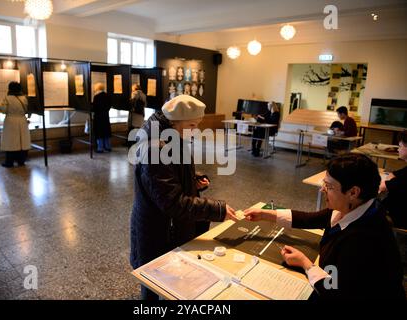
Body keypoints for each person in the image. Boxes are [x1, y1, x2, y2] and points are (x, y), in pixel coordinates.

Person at [244, 153, 405, 299]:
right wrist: (265, 214)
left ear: (353, 192)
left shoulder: (363, 240)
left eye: (328, 186)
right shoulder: (358, 207)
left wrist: (306, 264)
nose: (322, 189)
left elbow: (334, 290)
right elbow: (309, 219)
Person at [130, 95, 237, 300]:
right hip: (156, 230)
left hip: (166, 227)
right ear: (174, 120)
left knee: (169, 281)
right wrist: (218, 210)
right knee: (152, 285)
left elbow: (170, 175)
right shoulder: (156, 148)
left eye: (197, 125)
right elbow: (172, 202)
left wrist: (192, 180)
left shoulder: (171, 135)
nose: (195, 130)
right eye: (191, 125)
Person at [0, 81, 31, 168]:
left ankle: (9, 162)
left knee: (11, 142)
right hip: (22, 121)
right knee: (22, 142)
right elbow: (27, 109)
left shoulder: (7, 98)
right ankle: (21, 161)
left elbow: (3, 110)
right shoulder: (24, 98)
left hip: (11, 121)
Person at [379, 130, 407, 229]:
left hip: (398, 219)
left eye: (400, 146)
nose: (398, 150)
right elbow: (393, 174)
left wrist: (387, 182)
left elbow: (382, 187)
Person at [92, 83, 112, 153]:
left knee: (99, 132)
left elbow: (94, 108)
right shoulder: (107, 96)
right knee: (106, 131)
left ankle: (100, 148)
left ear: (97, 88)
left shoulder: (96, 96)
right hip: (106, 116)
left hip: (98, 117)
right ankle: (108, 147)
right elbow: (109, 106)